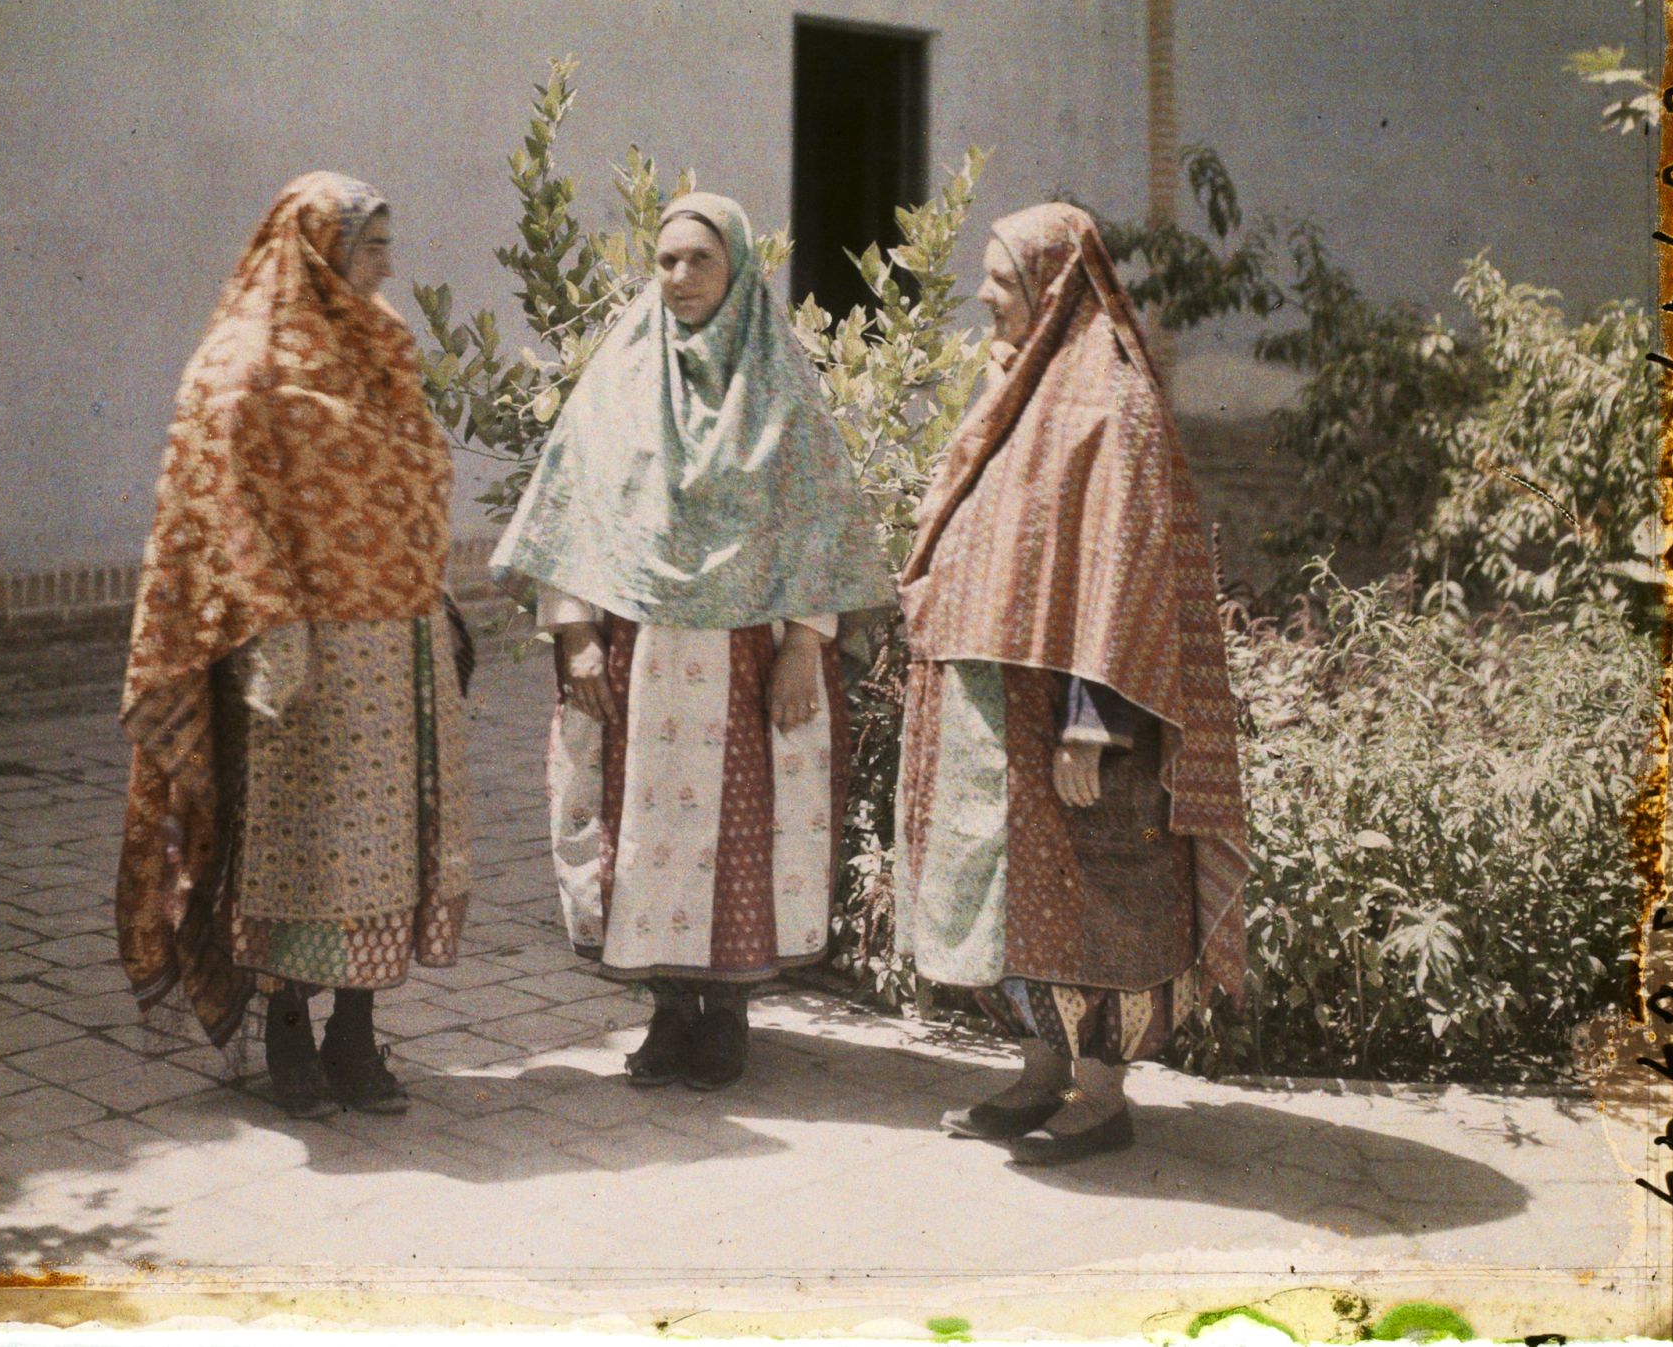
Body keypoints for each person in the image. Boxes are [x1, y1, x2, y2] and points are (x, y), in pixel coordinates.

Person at [492, 193, 894, 1091]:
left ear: (738, 269)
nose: (678, 277)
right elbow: (569, 505)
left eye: (699, 260)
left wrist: (806, 645)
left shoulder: (779, 383)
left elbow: (822, 520)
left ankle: (728, 1016)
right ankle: (671, 1011)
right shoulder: (620, 377)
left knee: (739, 835)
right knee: (645, 832)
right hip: (639, 656)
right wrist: (576, 633)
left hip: (748, 658)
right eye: (666, 260)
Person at [894, 202, 1250, 1164]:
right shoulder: (1022, 388)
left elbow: (1126, 573)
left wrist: (1093, 719)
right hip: (1005, 712)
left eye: (1003, 279)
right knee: (1020, 904)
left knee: (1099, 903)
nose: (982, 295)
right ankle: (1039, 1072)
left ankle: (1100, 1097)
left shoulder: (1110, 403)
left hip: (1080, 719)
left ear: (1054, 285)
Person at [116, 172, 472, 1120]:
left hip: (398, 640)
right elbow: (220, 501)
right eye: (370, 247)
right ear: (317, 248)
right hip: (299, 649)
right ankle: (286, 1031)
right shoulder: (243, 360)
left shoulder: (380, 342)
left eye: (387, 245)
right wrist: (274, 622)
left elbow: (417, 476)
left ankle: (356, 1029)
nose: (386, 266)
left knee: (387, 849)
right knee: (305, 848)